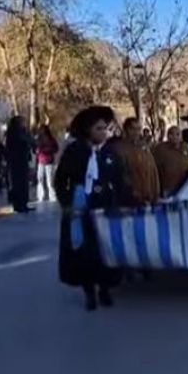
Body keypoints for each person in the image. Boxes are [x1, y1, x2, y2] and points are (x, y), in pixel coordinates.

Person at [55, 107, 126, 311]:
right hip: (81, 207)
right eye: (99, 128)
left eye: (105, 128)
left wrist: (119, 202)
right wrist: (67, 204)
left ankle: (105, 289)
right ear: (88, 130)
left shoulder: (109, 152)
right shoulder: (74, 151)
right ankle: (89, 292)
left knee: (105, 249)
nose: (104, 132)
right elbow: (61, 180)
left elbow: (119, 179)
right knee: (85, 252)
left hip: (104, 207)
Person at [114, 118, 160, 206]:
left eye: (138, 129)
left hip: (148, 195)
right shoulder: (118, 148)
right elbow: (120, 175)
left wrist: (156, 193)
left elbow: (153, 170)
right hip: (129, 199)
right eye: (133, 129)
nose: (136, 132)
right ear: (126, 130)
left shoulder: (143, 147)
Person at [152, 126, 188, 197]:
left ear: (181, 136)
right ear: (168, 136)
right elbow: (154, 168)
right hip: (168, 187)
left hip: (185, 186)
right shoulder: (160, 148)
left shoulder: (185, 146)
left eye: (178, 134)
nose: (175, 137)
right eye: (171, 134)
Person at [5, 116, 34, 213]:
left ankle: (23, 203)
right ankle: (19, 204)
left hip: (21, 160)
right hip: (17, 161)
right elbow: (25, 141)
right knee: (18, 183)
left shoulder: (21, 132)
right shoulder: (14, 133)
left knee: (23, 183)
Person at [35, 124, 59, 202]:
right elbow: (36, 149)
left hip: (48, 161)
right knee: (40, 179)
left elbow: (56, 148)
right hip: (41, 161)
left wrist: (47, 150)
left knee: (49, 180)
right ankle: (41, 195)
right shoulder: (39, 139)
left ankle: (51, 195)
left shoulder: (50, 139)